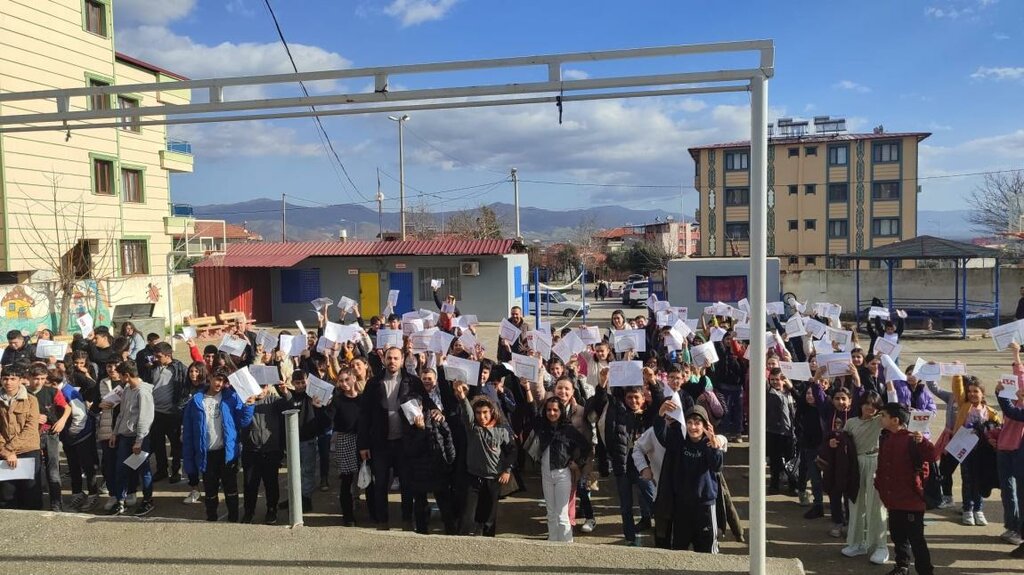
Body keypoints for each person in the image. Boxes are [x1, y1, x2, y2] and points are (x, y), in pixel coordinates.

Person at [357, 346, 418, 530]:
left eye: (396, 358)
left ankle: (407, 519)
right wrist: (363, 444)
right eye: (389, 358)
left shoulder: (412, 381)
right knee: (381, 484)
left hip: (404, 443)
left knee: (407, 484)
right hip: (380, 443)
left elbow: (425, 402)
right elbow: (364, 415)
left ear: (401, 360)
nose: (392, 361)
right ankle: (382, 521)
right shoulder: (373, 383)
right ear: (384, 359)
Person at [182, 369, 254, 522]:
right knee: (210, 490)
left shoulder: (231, 398)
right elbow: (188, 432)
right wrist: (189, 461)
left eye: (223, 380)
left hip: (227, 452)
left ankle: (233, 519)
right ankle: (212, 518)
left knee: (231, 490)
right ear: (210, 377)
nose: (219, 383)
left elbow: (244, 421)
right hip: (206, 453)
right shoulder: (196, 401)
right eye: (216, 379)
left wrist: (248, 406)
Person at [875, 403, 936, 575]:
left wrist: (923, 441)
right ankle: (902, 566)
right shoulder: (886, 437)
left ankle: (925, 570)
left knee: (916, 539)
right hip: (893, 500)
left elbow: (932, 455)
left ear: (895, 420)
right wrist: (879, 486)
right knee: (898, 536)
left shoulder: (912, 438)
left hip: (911, 501)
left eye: (884, 416)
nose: (881, 419)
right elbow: (883, 467)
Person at [653, 405, 723, 552]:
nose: (693, 427)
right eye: (689, 422)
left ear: (705, 426)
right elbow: (661, 434)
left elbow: (716, 467)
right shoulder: (679, 441)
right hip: (682, 505)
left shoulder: (709, 443)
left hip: (705, 505)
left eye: (697, 423)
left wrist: (715, 448)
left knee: (707, 549)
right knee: (679, 548)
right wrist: (660, 414)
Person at [454, 382, 517, 537]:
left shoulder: (502, 431)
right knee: (467, 517)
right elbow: (467, 413)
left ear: (492, 412)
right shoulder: (473, 430)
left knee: (489, 517)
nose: (481, 417)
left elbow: (512, 451)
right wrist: (463, 398)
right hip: (473, 478)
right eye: (478, 413)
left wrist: (507, 470)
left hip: (493, 480)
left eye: (485, 413)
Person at [402, 367, 457, 535]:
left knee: (444, 502)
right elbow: (410, 449)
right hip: (419, 470)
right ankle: (422, 532)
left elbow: (447, 439)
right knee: (420, 502)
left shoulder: (435, 416)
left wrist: (450, 461)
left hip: (438, 466)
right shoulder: (410, 424)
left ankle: (450, 531)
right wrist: (419, 430)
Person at [841, 388, 888, 565]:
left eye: (874, 405)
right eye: (867, 403)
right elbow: (843, 444)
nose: (870, 407)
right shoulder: (851, 422)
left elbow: (895, 408)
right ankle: (857, 542)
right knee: (856, 503)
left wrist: (890, 384)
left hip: (875, 461)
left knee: (876, 505)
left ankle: (880, 546)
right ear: (860, 404)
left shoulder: (879, 421)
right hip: (855, 464)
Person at [535, 396, 591, 543]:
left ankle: (566, 546)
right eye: (548, 410)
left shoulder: (568, 429)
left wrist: (577, 462)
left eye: (555, 410)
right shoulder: (542, 426)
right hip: (545, 473)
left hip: (562, 474)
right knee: (550, 512)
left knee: (562, 514)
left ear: (561, 411)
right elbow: (530, 409)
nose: (551, 413)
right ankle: (552, 543)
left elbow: (586, 447)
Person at [108, 360, 155, 516]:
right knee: (120, 469)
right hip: (125, 436)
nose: (119, 379)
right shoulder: (128, 389)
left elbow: (145, 417)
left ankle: (148, 500)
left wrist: (139, 440)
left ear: (127, 375)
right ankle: (121, 501)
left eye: (121, 376)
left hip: (139, 437)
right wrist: (115, 432)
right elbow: (122, 414)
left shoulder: (143, 392)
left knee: (144, 470)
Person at [241, 372, 289, 525]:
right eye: (257, 387)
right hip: (251, 450)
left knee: (271, 483)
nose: (260, 390)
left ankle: (271, 510)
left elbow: (290, 406)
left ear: (268, 387)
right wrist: (247, 404)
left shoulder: (274, 401)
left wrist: (286, 392)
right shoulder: (246, 402)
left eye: (263, 387)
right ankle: (249, 512)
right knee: (250, 484)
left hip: (271, 450)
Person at [26, 364, 70, 511]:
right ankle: (35, 502)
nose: (39, 382)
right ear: (29, 378)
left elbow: (66, 407)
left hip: (50, 434)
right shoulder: (23, 393)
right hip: (31, 436)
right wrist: (33, 418)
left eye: (43, 378)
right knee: (34, 470)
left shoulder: (52, 391)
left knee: (53, 471)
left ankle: (56, 502)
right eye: (36, 378)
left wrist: (62, 421)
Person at [0, 364, 43, 510]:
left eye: (13, 378)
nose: (9, 382)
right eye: (5, 378)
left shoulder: (31, 400)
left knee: (31, 493)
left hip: (28, 449)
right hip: (4, 451)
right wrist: (6, 452)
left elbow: (31, 428)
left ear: (20, 380)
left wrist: (10, 449)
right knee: (7, 494)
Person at [149, 342, 189, 483]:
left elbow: (186, 389)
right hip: (155, 413)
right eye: (155, 356)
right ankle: (162, 470)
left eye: (159, 356)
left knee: (175, 444)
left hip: (172, 414)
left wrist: (178, 407)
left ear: (168, 355)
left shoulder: (179, 368)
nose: (156, 359)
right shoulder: (153, 368)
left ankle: (176, 470)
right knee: (158, 444)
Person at [330, 367, 366, 526]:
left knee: (367, 475)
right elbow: (328, 418)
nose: (344, 384)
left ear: (353, 379)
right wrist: (320, 406)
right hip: (344, 439)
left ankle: (372, 510)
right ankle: (348, 515)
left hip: (363, 440)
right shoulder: (337, 400)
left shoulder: (363, 399)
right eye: (341, 381)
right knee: (346, 479)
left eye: (346, 380)